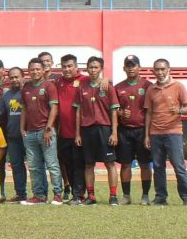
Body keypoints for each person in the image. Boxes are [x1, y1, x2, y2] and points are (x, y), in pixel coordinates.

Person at [74, 56, 120, 205]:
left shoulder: (108, 86)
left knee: (110, 163)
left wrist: (114, 132)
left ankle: (113, 196)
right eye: (90, 67)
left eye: (96, 67)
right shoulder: (82, 86)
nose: (93, 70)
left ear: (101, 69)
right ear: (87, 68)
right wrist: (78, 134)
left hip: (104, 129)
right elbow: (78, 111)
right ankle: (91, 196)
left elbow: (114, 111)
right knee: (89, 164)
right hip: (87, 130)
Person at [20, 57, 63, 205]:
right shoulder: (25, 88)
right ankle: (39, 195)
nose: (35, 71)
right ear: (28, 71)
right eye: (32, 69)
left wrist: (48, 128)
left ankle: (58, 194)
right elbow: (24, 109)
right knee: (33, 167)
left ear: (43, 70)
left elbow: (54, 108)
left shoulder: (49, 86)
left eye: (38, 69)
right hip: (30, 133)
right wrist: (22, 128)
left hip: (46, 132)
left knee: (52, 164)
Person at [144, 58, 187, 205]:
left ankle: (185, 197)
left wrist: (179, 110)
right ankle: (161, 197)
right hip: (156, 134)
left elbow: (186, 106)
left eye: (163, 69)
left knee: (179, 167)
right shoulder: (151, 89)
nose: (160, 72)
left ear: (169, 70)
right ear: (153, 71)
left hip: (174, 132)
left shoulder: (178, 86)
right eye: (157, 69)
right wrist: (147, 135)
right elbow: (148, 113)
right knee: (158, 167)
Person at [115, 55, 153, 205]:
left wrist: (149, 133)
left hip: (143, 130)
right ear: (124, 68)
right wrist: (121, 113)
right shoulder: (118, 88)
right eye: (128, 65)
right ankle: (126, 196)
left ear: (139, 67)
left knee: (144, 164)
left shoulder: (148, 86)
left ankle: (145, 196)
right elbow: (113, 110)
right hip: (124, 131)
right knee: (125, 164)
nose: (131, 68)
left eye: (133, 65)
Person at [0, 66, 27, 202]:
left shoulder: (28, 91)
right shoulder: (7, 95)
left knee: (36, 166)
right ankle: (21, 194)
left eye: (17, 77)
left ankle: (40, 194)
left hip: (29, 136)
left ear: (23, 77)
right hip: (12, 136)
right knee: (16, 166)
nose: (14, 79)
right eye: (11, 77)